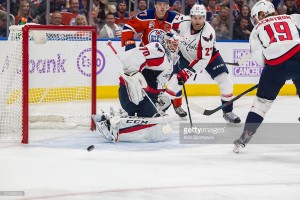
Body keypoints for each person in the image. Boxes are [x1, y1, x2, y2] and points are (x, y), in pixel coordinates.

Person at [233, 0, 300, 153]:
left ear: (259, 15)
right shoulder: (291, 17)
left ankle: (245, 136)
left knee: (261, 103)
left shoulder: (256, 29)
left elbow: (260, 59)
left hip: (276, 65)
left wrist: (271, 75)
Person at [93, 30, 182, 142]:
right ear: (165, 41)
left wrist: (163, 95)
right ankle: (108, 122)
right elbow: (136, 56)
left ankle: (125, 115)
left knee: (161, 107)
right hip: (135, 94)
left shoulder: (170, 60)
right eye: (172, 44)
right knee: (151, 117)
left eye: (176, 45)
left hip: (147, 96)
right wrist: (133, 74)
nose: (175, 47)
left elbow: (159, 80)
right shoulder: (158, 49)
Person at [166, 4, 241, 123]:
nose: (197, 21)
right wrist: (169, 34)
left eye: (200, 18)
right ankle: (160, 109)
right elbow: (168, 22)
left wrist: (188, 72)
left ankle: (228, 112)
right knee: (174, 82)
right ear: (190, 17)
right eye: (195, 18)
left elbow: (203, 59)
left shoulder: (208, 33)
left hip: (208, 57)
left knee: (225, 81)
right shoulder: (182, 21)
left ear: (204, 18)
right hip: (185, 55)